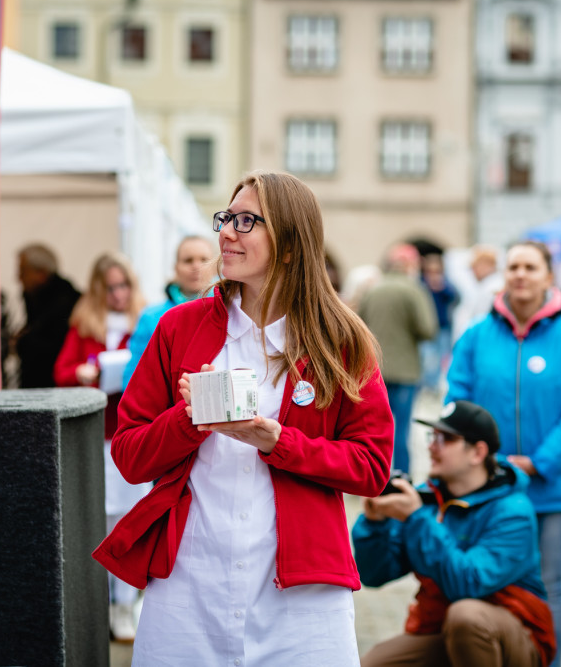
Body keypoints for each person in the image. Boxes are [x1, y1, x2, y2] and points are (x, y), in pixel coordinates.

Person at [93, 171, 394, 665]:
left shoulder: (342, 341)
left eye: (247, 220)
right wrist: (189, 420)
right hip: (187, 583)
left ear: (292, 246)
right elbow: (129, 455)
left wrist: (277, 441)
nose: (227, 232)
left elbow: (371, 467)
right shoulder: (178, 326)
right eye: (226, 218)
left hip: (302, 595)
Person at [445, 241, 561, 667]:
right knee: (490, 583)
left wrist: (538, 461)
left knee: (548, 584)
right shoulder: (477, 335)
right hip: (488, 487)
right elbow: (457, 401)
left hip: (553, 486)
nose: (520, 274)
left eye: (530, 267)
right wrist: (480, 461)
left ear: (548, 276)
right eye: (513, 266)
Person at [353, 400, 556, 667]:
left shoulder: (513, 512)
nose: (431, 446)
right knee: (374, 663)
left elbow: (469, 583)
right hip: (443, 628)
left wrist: (416, 519)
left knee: (466, 617)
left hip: (514, 636)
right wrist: (374, 523)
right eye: (432, 436)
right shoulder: (430, 499)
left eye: (445, 438)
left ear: (477, 452)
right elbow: (374, 575)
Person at [52, 250, 146, 642]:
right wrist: (81, 372)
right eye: (111, 287)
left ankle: (125, 602)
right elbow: (60, 372)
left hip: (130, 432)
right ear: (98, 288)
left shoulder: (145, 320)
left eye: (124, 285)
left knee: (130, 518)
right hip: (97, 437)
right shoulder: (85, 323)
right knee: (101, 520)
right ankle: (103, 603)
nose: (118, 294)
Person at [358, 243, 438, 475]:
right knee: (400, 430)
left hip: (372, 370)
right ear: (409, 265)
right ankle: (402, 479)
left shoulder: (373, 289)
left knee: (372, 429)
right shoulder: (413, 290)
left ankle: (372, 475)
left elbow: (358, 324)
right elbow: (427, 329)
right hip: (404, 371)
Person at [123, 235, 215, 384]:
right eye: (188, 260)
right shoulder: (150, 317)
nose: (196, 266)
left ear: (215, 266)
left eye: (204, 260)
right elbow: (134, 377)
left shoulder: (229, 312)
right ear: (176, 267)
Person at [14, 243, 81, 389]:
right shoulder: (34, 296)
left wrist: (22, 342)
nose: (18, 277)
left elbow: (46, 348)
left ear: (42, 274)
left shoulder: (65, 302)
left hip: (52, 388)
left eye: (23, 271)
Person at [418, 253, 460, 396]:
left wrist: (442, 287)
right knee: (428, 359)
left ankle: (434, 386)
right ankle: (427, 386)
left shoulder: (446, 283)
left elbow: (456, 298)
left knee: (442, 359)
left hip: (443, 328)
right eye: (430, 270)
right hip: (428, 329)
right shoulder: (421, 284)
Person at [454, 244, 505, 339]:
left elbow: (481, 321)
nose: (472, 272)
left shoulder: (492, 289)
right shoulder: (488, 286)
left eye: (474, 267)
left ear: (485, 265)